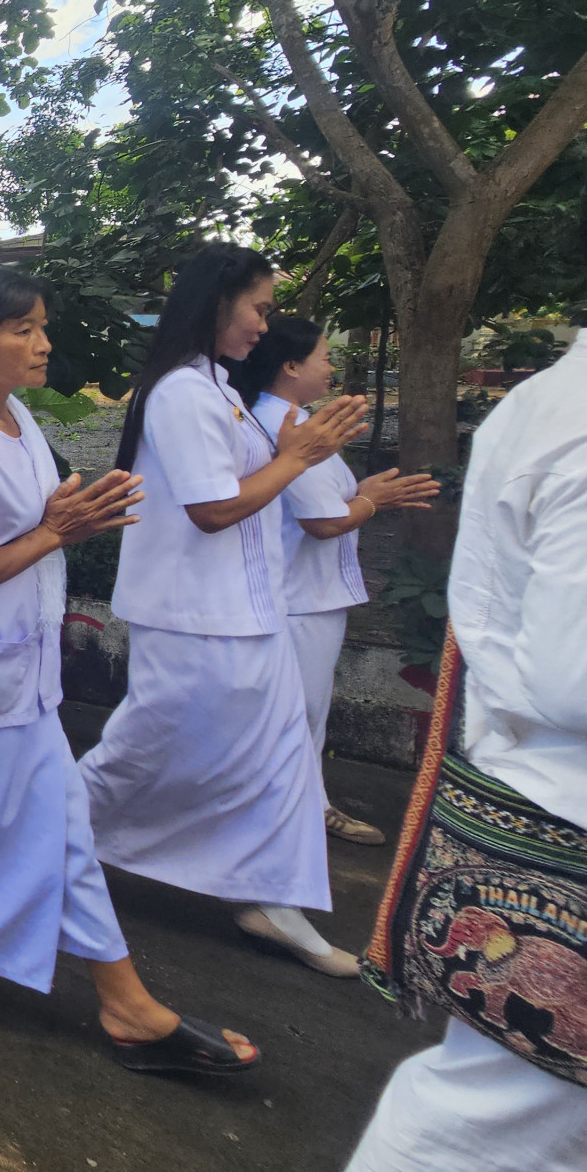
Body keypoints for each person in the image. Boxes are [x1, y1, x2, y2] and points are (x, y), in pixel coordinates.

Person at [0, 270, 258, 1074]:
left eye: (41, 327)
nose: (42, 344)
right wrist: (58, 531)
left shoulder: (13, 416)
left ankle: (123, 1001)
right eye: (22, 330)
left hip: (8, 675)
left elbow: (23, 529)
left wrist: (67, 518)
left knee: (51, 826)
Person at [329, 180, 587, 1172]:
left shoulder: (556, 408)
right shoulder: (584, 424)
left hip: (540, 788)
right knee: (497, 1129)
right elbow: (584, 678)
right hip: (567, 815)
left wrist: (347, 489)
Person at [78, 244, 370, 976]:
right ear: (217, 303)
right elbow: (211, 509)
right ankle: (36, 830)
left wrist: (294, 451)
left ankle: (272, 901)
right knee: (147, 753)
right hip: (194, 617)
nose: (264, 326)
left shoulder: (218, 389)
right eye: (259, 309)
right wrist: (298, 458)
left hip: (249, 610)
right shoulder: (181, 392)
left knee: (281, 761)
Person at [233, 317, 440, 846]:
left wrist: (365, 494)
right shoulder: (284, 426)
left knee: (303, 714)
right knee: (297, 715)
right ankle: (295, 817)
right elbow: (322, 522)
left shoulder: (290, 420)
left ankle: (301, 809)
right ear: (291, 365)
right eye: (324, 356)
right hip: (298, 598)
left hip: (305, 594)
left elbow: (324, 504)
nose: (332, 366)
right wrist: (372, 501)